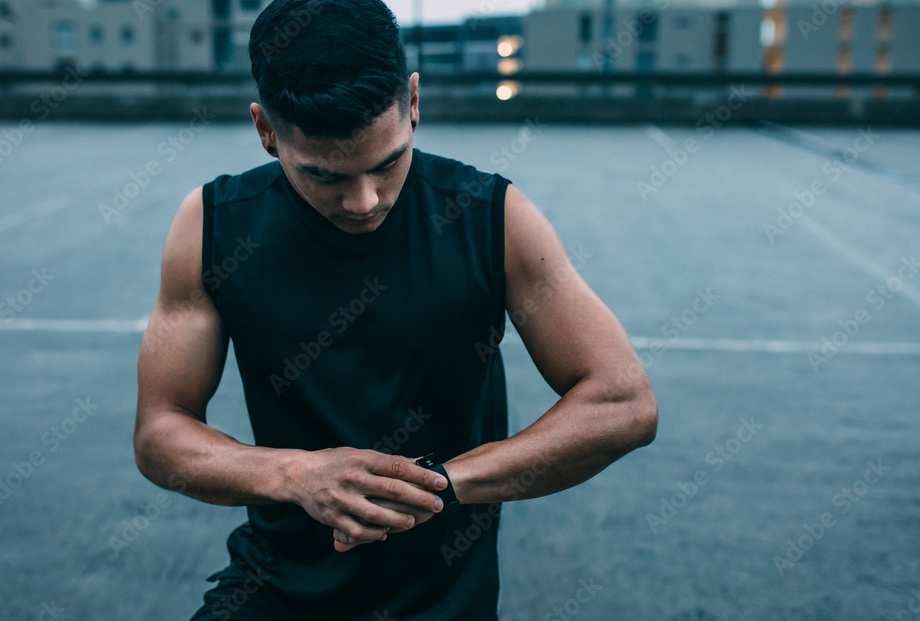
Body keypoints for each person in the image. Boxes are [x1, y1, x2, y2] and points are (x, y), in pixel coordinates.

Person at [133, 1, 658, 619]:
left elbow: (623, 403)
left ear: (413, 101)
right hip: (272, 588)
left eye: (387, 164)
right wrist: (296, 476)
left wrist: (434, 486)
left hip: (440, 601)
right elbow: (160, 431)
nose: (364, 200)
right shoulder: (213, 225)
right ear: (265, 130)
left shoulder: (492, 216)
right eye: (325, 177)